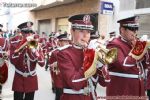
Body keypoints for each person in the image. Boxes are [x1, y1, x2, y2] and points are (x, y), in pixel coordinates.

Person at [57, 14, 110, 100]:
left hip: (91, 96)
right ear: (72, 31)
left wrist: (101, 65)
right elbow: (75, 83)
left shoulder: (91, 51)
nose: (86, 36)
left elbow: (105, 82)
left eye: (88, 32)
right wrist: (90, 57)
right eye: (81, 31)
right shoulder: (64, 53)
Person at [106, 16, 148, 99]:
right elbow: (123, 65)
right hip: (122, 90)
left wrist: (146, 52)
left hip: (137, 88)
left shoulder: (133, 43)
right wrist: (139, 49)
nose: (135, 32)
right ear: (122, 30)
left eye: (136, 29)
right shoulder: (114, 44)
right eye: (132, 29)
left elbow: (144, 66)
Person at [9, 21, 45, 100]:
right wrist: (22, 46)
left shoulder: (35, 44)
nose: (28, 35)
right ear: (21, 33)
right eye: (26, 32)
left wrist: (34, 50)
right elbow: (12, 60)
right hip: (19, 77)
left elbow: (42, 63)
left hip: (31, 78)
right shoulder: (15, 42)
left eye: (30, 32)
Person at [49, 33, 71, 100]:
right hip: (60, 81)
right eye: (64, 41)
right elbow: (53, 69)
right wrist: (55, 81)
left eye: (67, 41)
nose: (67, 43)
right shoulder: (55, 53)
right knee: (59, 97)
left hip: (70, 80)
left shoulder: (71, 52)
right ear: (59, 42)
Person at [0, 24, 9, 100]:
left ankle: (0, 91)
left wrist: (5, 55)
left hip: (1, 61)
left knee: (1, 76)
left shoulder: (4, 40)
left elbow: (6, 50)